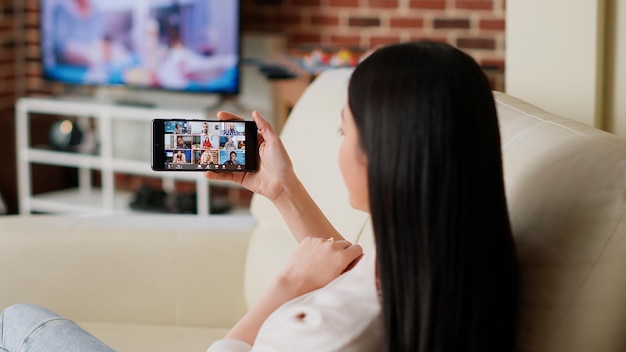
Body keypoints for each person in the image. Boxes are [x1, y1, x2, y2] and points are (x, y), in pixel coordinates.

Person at [0, 41, 518, 352]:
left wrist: (286, 287)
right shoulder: (460, 267)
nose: (338, 149)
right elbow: (362, 282)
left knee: (20, 320)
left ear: (385, 157)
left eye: (344, 134)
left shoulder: (323, 332)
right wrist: (280, 186)